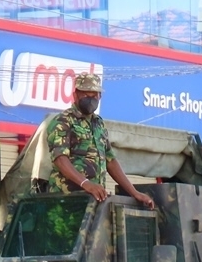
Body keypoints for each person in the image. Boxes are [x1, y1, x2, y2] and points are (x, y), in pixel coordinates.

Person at [46, 72, 155, 210]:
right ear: (76, 95)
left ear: (100, 96)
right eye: (86, 95)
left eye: (94, 95)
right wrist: (86, 183)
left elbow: (110, 160)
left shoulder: (99, 124)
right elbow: (60, 159)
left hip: (93, 202)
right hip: (65, 202)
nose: (91, 99)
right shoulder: (63, 121)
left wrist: (134, 193)